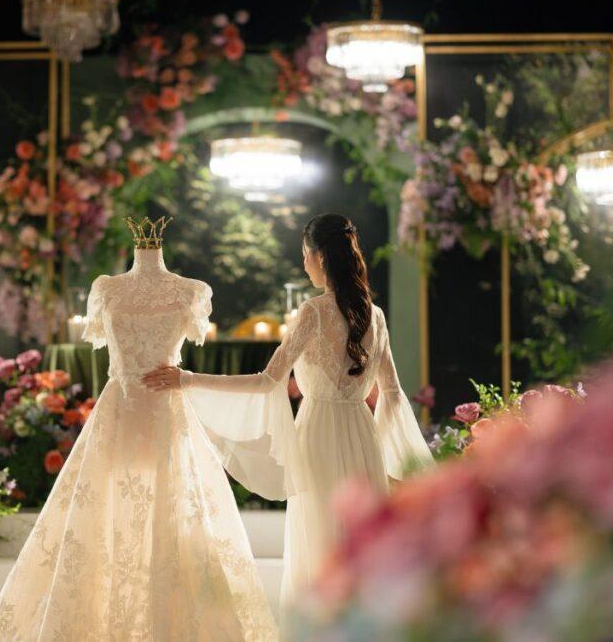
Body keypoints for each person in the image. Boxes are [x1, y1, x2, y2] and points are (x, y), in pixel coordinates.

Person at [0, 216, 277, 641]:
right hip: (121, 415)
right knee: (105, 518)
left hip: (163, 416)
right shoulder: (109, 290)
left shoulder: (188, 292)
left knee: (171, 518)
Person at [143, 213, 434, 607]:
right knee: (360, 541)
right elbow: (394, 393)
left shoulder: (313, 313)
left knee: (319, 538)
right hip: (363, 439)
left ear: (318, 256)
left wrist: (188, 379)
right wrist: (394, 455)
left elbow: (266, 381)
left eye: (304, 255)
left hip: (317, 437)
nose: (304, 264)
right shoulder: (375, 316)